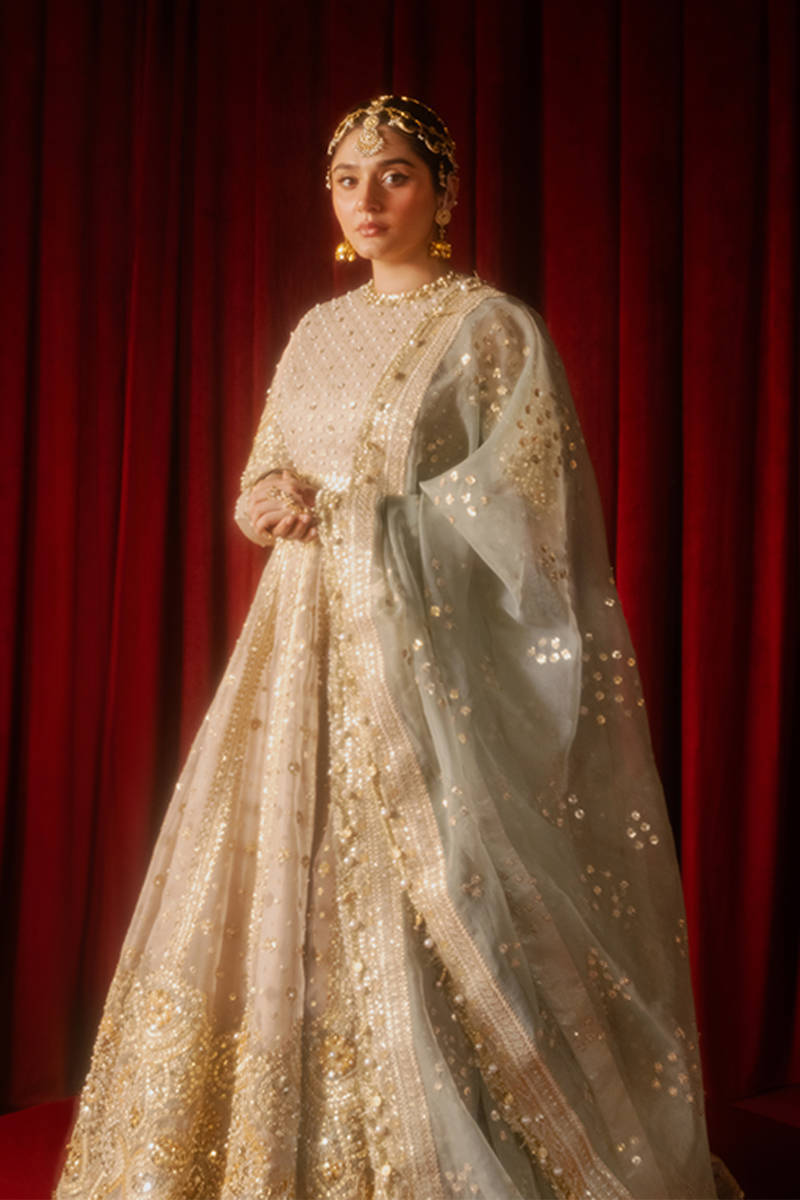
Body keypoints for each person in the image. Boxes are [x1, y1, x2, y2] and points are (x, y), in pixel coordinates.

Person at [55, 95, 738, 1200]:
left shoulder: (490, 331)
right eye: (346, 179)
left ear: (443, 193)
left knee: (447, 885)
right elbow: (262, 472)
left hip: (425, 671)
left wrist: (359, 515)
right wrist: (264, 502)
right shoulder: (316, 332)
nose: (366, 200)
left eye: (395, 175)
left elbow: (530, 521)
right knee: (281, 874)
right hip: (296, 652)